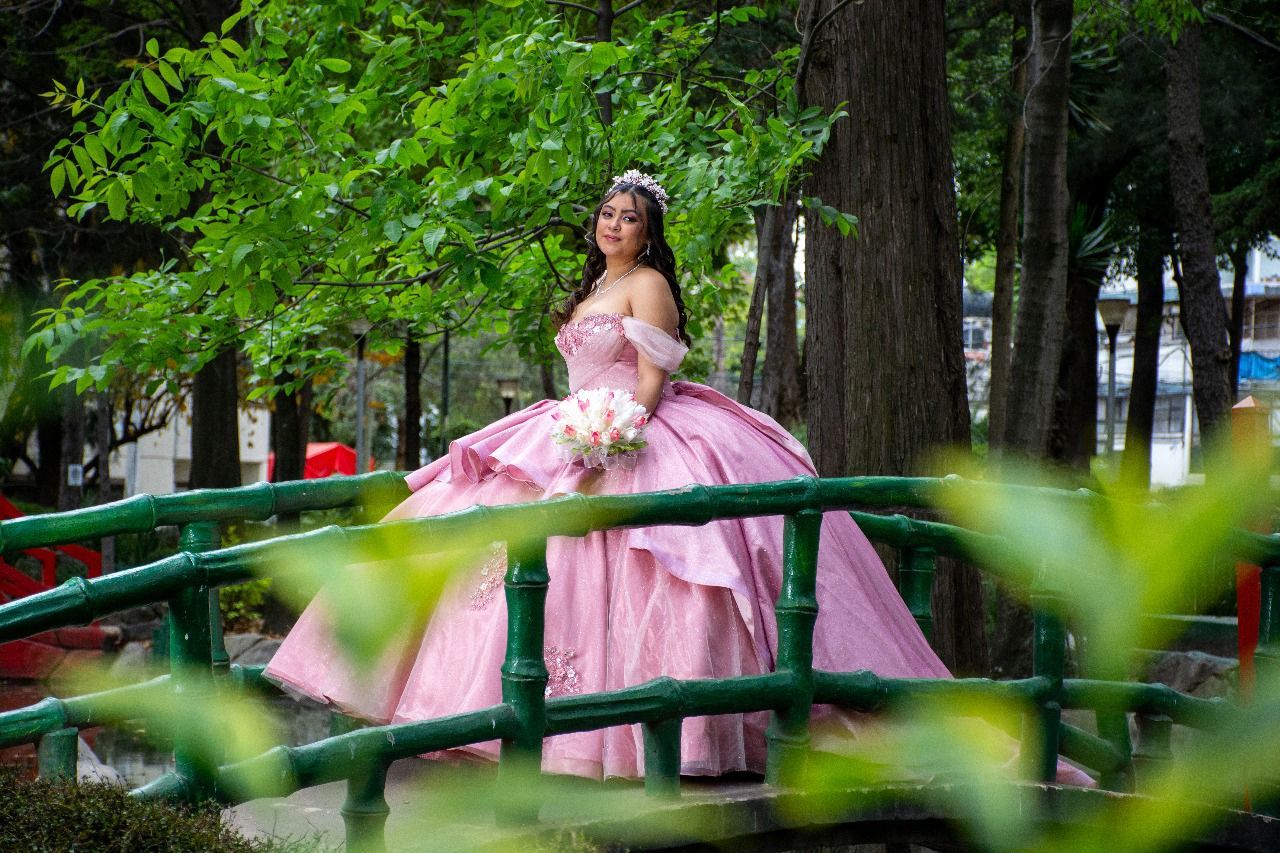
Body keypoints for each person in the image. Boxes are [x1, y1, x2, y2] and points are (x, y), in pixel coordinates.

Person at [266, 170, 1089, 785]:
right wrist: (577, 428)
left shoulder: (649, 284)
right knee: (465, 518)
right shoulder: (598, 282)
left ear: (649, 232)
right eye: (606, 213)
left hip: (632, 428)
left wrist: (611, 441)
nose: (613, 225)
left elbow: (653, 381)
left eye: (628, 218)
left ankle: (657, 734)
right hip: (575, 421)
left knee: (652, 561)